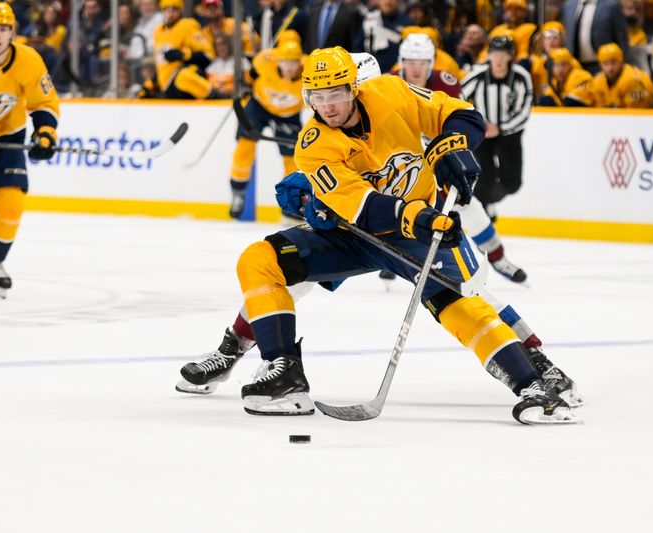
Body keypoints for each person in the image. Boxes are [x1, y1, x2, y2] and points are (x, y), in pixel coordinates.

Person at [178, 47, 580, 425]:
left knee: (466, 296)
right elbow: (362, 206)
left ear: (356, 87)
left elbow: (459, 114)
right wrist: (309, 196)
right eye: (318, 96)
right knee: (263, 262)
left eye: (336, 93)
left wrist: (452, 146)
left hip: (426, 223)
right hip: (355, 232)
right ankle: (279, 372)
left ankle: (533, 373)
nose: (328, 106)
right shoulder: (315, 144)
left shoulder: (390, 92)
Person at [392, 33, 528, 283]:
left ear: (431, 62)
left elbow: (460, 119)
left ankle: (497, 258)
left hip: (437, 157)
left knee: (467, 206)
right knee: (393, 206)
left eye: (422, 63)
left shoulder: (446, 82)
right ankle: (392, 256)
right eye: (411, 62)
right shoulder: (387, 84)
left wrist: (447, 148)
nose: (416, 69)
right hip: (398, 161)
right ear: (402, 61)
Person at [0, 2, 59, 298]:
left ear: (12, 32)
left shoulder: (28, 60)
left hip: (9, 138)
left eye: (3, 29)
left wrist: (45, 134)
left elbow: (43, 103)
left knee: (12, 204)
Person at [460, 36, 533, 221]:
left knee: (513, 183)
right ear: (489, 55)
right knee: (484, 177)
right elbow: (457, 97)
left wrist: (500, 128)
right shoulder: (477, 76)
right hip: (482, 134)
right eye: (495, 54)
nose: (499, 59)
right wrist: (476, 122)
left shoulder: (521, 77)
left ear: (510, 56)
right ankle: (484, 222)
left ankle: (487, 201)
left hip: (509, 134)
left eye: (503, 54)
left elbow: (524, 112)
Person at [228, 38, 303, 218]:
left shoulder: (310, 71)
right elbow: (251, 73)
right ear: (278, 60)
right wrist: (245, 80)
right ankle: (237, 192)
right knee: (245, 147)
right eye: (286, 62)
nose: (290, 67)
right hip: (258, 106)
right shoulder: (265, 60)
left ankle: (290, 203)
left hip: (288, 114)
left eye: (294, 62)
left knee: (292, 159)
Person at [153, 0, 214, 99]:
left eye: (174, 9)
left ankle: (213, 95)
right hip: (166, 85)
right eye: (167, 10)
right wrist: (151, 83)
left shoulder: (187, 25)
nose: (170, 13)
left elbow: (208, 56)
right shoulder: (158, 31)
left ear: (181, 11)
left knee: (184, 76)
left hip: (187, 79)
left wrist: (183, 54)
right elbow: (161, 64)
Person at [561, 0, 630, 73]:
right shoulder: (568, 6)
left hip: (605, 67)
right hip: (575, 67)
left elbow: (622, 38)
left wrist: (623, 64)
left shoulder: (612, 6)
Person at [591, 43, 653, 108]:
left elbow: (636, 115)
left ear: (621, 61)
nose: (610, 68)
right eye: (605, 63)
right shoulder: (598, 82)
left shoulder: (633, 80)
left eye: (614, 62)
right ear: (600, 64)